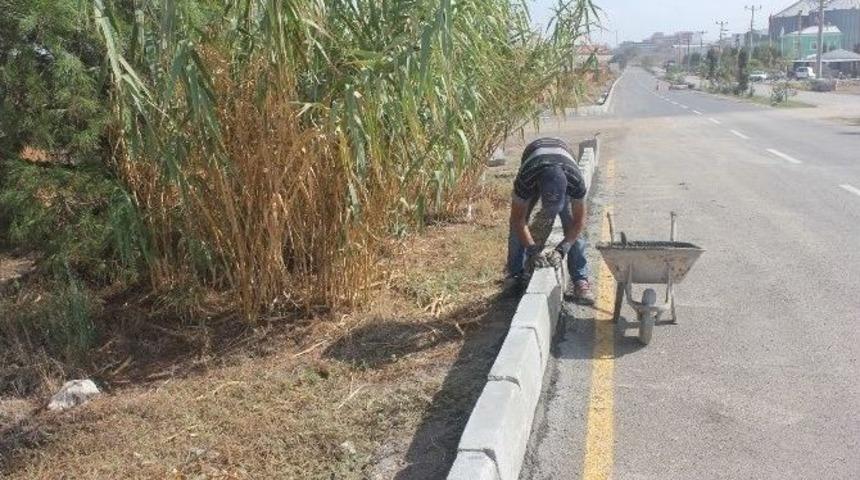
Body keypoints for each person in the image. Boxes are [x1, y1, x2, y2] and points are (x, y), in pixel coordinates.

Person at [506, 137, 594, 305]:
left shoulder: (575, 181)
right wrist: (532, 249)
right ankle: (515, 275)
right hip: (534, 154)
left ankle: (580, 280)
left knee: (570, 221)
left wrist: (562, 249)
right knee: (515, 227)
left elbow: (579, 221)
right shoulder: (526, 180)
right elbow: (518, 220)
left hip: (563, 153)